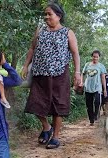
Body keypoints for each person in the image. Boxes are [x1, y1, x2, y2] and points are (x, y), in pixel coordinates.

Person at [21, 2, 82, 149]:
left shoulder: (68, 32)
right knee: (35, 103)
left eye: (50, 14)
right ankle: (47, 127)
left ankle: (55, 137)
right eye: (45, 14)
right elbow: (32, 48)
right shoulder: (40, 31)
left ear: (59, 16)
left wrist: (77, 73)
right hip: (40, 75)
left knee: (58, 105)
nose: (46, 17)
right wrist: (25, 65)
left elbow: (75, 54)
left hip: (60, 75)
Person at [81, 50, 107, 126]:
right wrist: (81, 82)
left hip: (97, 88)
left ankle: (96, 115)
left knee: (97, 102)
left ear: (99, 58)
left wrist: (104, 89)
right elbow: (82, 74)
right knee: (89, 105)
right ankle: (91, 120)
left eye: (96, 57)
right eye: (94, 57)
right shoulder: (87, 65)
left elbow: (103, 78)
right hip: (88, 87)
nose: (95, 58)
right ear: (92, 57)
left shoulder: (101, 66)